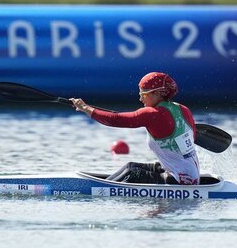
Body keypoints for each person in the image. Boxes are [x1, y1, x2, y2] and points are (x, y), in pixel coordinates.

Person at [70, 72, 200, 185]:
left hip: (179, 180)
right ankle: (103, 185)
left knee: (131, 173)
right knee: (130, 166)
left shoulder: (153, 114)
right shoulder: (183, 110)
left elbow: (114, 120)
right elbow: (191, 138)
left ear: (157, 94)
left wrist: (85, 108)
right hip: (191, 176)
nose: (140, 98)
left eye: (143, 94)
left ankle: (98, 190)